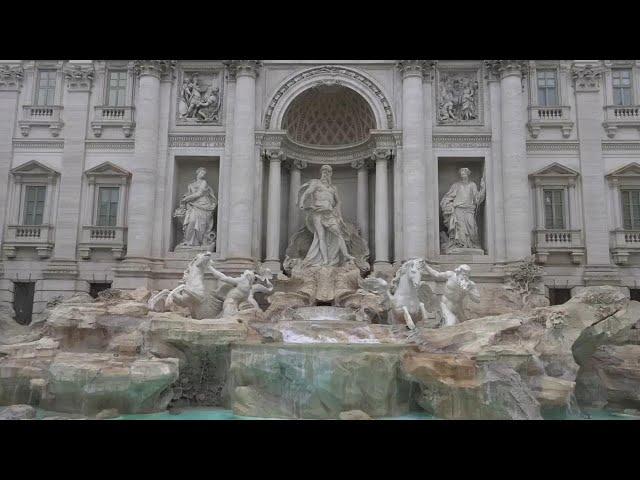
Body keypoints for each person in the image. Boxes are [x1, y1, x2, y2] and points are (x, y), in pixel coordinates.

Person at [297, 165, 355, 267]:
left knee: (338, 233)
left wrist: (339, 215)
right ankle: (325, 261)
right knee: (321, 237)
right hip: (317, 213)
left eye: (328, 172)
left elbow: (338, 202)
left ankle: (346, 254)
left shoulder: (333, 188)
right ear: (321, 173)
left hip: (329, 213)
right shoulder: (316, 183)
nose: (325, 174)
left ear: (330, 174)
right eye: (324, 172)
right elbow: (307, 193)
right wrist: (301, 202)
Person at [440, 167, 485, 251]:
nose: (463, 175)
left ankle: (473, 244)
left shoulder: (472, 185)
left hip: (469, 209)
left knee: (472, 227)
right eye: (461, 174)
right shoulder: (456, 185)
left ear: (468, 174)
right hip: (458, 209)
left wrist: (483, 188)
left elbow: (477, 198)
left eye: (464, 173)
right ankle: (461, 245)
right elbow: (447, 197)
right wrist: (448, 204)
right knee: (460, 228)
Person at [207, 265, 273, 316]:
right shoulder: (241, 280)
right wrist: (211, 268)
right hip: (231, 302)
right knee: (229, 320)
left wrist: (266, 280)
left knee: (254, 311)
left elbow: (268, 290)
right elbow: (223, 277)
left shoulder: (251, 286)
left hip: (242, 304)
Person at [178, 167, 217, 247]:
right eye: (201, 173)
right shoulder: (191, 185)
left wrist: (186, 199)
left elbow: (199, 194)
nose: (203, 175)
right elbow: (189, 194)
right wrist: (185, 198)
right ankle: (188, 241)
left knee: (201, 225)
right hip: (193, 205)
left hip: (203, 204)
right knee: (192, 221)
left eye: (204, 174)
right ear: (197, 173)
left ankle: (199, 242)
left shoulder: (204, 182)